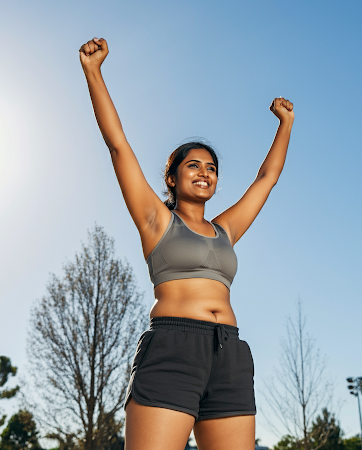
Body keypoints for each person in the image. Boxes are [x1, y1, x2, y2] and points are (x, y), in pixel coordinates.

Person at [79, 37, 294, 450]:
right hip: (174, 348)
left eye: (211, 168)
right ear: (172, 177)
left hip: (229, 353)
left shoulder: (226, 229)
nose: (205, 172)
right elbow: (118, 144)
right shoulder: (156, 221)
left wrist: (285, 124)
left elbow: (266, 180)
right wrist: (93, 72)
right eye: (193, 165)